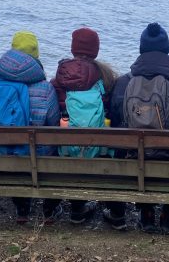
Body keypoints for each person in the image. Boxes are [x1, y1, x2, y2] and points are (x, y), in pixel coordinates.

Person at [105, 22, 169, 233]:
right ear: (167, 50)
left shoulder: (122, 84)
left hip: (133, 163)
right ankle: (168, 213)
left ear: (141, 49)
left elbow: (116, 121)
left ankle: (145, 214)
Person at [0, 32, 62, 224]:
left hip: (3, 158)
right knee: (52, 147)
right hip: (39, 160)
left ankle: (22, 207)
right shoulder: (45, 88)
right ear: (36, 55)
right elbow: (54, 125)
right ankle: (49, 208)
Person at [51, 27, 117, 225]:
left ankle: (77, 210)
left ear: (73, 48)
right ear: (95, 50)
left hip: (67, 147)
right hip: (98, 148)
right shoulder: (105, 77)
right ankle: (112, 208)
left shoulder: (60, 77)